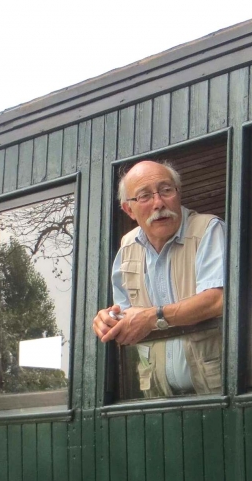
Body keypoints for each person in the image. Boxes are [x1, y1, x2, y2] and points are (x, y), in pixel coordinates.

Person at [91, 160, 226, 397]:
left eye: (166, 190)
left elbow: (218, 300)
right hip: (157, 397)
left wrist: (154, 317)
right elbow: (127, 318)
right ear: (129, 210)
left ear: (178, 193)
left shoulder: (208, 229)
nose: (158, 203)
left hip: (215, 390)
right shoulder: (127, 247)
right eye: (144, 196)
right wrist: (107, 322)